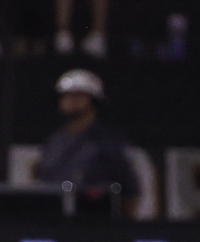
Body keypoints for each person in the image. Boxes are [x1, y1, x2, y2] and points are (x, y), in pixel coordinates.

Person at [37, 68, 140, 217]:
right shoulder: (54, 141)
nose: (69, 101)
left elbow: (130, 191)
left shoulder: (108, 141)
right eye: (65, 96)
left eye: (77, 96)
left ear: (93, 100)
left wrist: (120, 225)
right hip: (56, 220)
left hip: (95, 220)